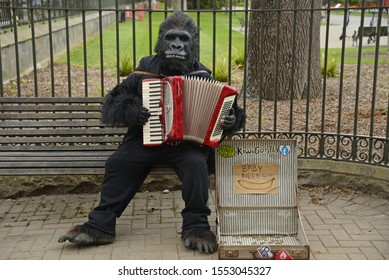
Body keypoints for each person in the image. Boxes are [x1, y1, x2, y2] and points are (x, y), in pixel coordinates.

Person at [58, 11, 245, 254]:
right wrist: (132, 109)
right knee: (118, 162)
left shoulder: (202, 74)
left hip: (186, 146)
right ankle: (100, 226)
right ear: (160, 40)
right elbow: (113, 103)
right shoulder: (144, 70)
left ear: (193, 43)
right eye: (171, 38)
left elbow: (228, 110)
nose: (176, 44)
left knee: (196, 166)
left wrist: (231, 120)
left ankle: (196, 226)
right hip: (144, 140)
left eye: (183, 39)